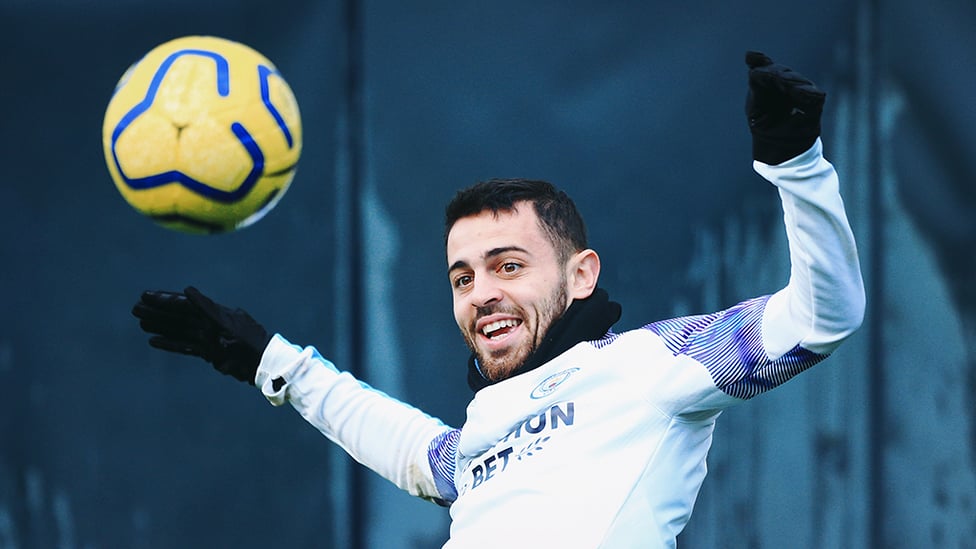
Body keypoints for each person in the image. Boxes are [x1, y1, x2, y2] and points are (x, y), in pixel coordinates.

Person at [132, 51, 865, 547]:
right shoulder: (485, 432)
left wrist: (797, 167)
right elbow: (421, 453)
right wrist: (267, 360)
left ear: (581, 275)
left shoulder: (655, 363)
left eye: (507, 264)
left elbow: (822, 319)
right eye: (462, 277)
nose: (481, 293)